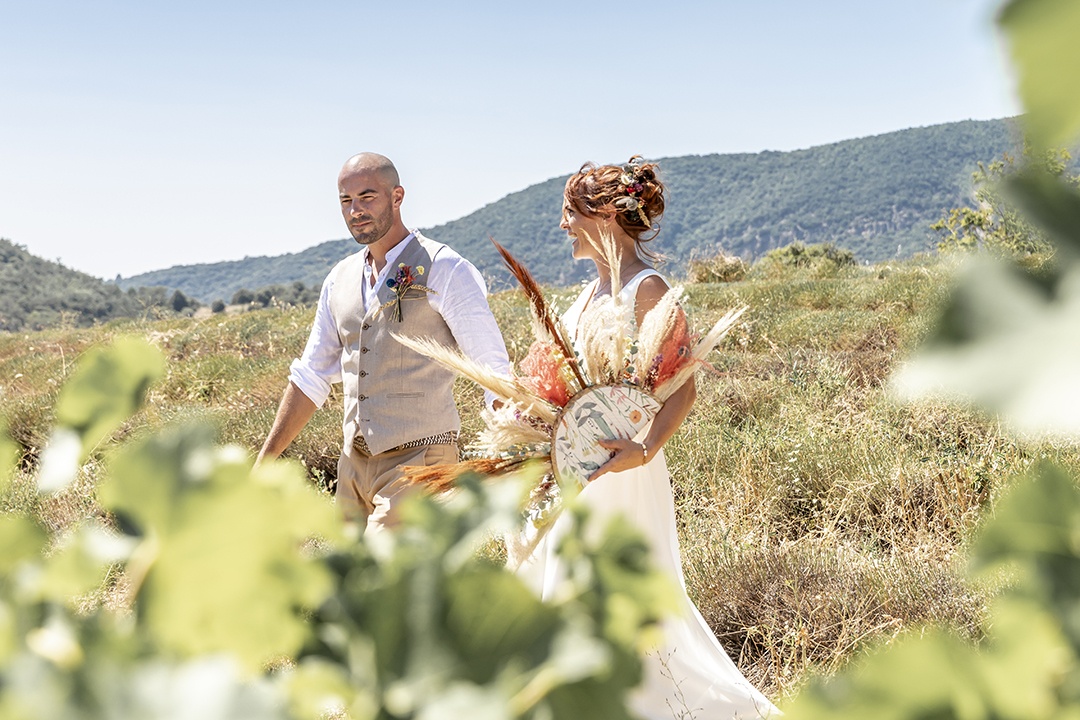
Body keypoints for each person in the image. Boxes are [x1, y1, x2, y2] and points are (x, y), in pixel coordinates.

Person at [523, 157, 779, 719]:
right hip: (578, 469)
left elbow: (682, 391)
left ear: (607, 214)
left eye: (570, 213)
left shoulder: (648, 288)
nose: (563, 225)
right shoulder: (589, 291)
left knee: (621, 609)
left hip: (624, 473)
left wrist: (641, 451)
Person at [256, 152, 510, 534]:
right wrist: (265, 460)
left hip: (422, 461)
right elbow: (311, 375)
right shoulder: (337, 280)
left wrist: (515, 448)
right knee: (348, 586)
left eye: (367, 196)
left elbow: (493, 369)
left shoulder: (444, 267)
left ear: (397, 196)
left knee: (384, 582)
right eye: (346, 200)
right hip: (352, 466)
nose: (355, 210)